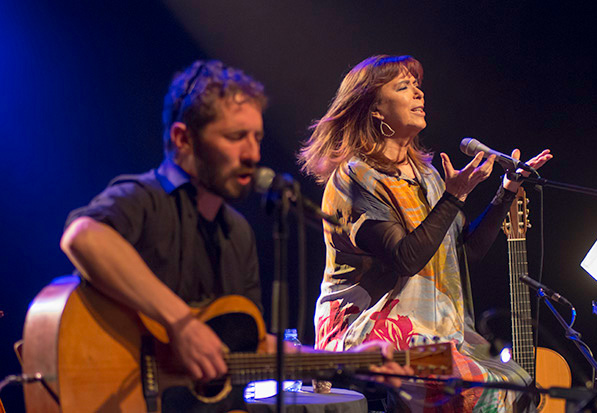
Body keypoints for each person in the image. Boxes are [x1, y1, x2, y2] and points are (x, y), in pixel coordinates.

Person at [60, 59, 410, 412]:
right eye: (235, 137)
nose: (253, 154)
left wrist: (350, 361)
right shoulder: (146, 197)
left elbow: (253, 347)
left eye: (256, 137)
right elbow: (83, 236)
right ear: (183, 139)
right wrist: (181, 323)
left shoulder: (236, 232)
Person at [298, 55, 553, 412]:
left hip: (439, 331)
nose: (418, 93)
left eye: (417, 85)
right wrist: (453, 197)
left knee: (525, 385)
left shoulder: (429, 176)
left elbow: (467, 253)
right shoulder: (355, 178)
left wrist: (506, 191)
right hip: (369, 332)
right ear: (375, 110)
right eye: (404, 87)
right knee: (477, 390)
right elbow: (407, 258)